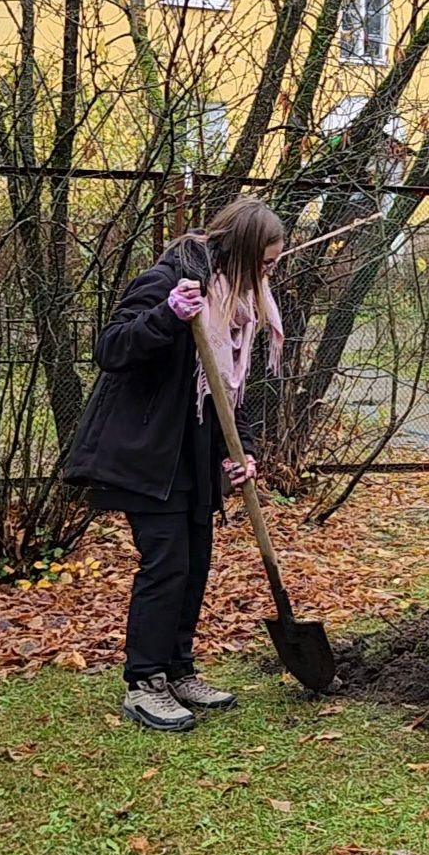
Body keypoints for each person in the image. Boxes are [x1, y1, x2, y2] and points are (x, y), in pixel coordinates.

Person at [64, 198, 285, 732]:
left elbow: (233, 391)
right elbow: (112, 348)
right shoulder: (170, 280)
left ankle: (179, 669)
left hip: (195, 453)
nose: (270, 275)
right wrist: (166, 315)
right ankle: (145, 683)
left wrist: (244, 451)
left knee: (194, 565)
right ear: (239, 252)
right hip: (147, 454)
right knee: (166, 567)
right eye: (266, 263)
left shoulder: (236, 303)